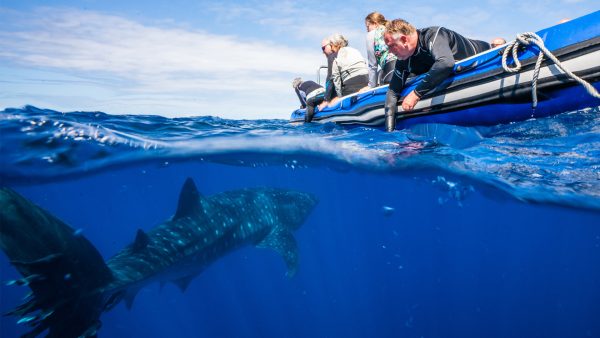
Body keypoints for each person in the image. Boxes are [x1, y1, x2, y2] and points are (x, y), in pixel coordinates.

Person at [383, 19, 491, 131]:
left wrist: (415, 94)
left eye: (391, 46)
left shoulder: (433, 35)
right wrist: (390, 131)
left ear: (404, 40)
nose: (389, 51)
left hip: (486, 54)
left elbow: (446, 63)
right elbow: (392, 91)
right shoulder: (403, 60)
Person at [327, 33, 369, 106]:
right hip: (366, 81)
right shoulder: (356, 51)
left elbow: (336, 81)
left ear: (337, 44)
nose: (331, 49)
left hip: (351, 86)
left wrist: (340, 98)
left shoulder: (336, 57)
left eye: (331, 45)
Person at [364, 12, 397, 87]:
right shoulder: (392, 29)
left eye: (367, 26)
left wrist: (371, 86)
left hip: (391, 69)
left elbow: (373, 65)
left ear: (375, 23)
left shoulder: (371, 34)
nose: (367, 30)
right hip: (406, 65)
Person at [321, 37, 338, 107]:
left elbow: (331, 78)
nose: (323, 51)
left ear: (330, 45)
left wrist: (326, 100)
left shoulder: (332, 57)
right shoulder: (345, 53)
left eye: (323, 48)